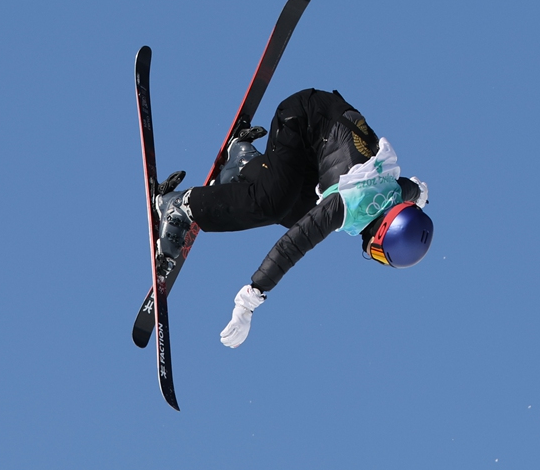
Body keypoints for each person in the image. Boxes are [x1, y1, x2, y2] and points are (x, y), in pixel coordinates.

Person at [152, 88, 434, 348]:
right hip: (302, 117)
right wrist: (249, 299)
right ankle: (182, 206)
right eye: (380, 254)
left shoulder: (393, 194)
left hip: (320, 136)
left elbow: (411, 188)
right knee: (273, 205)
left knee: (294, 210)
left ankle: (243, 163)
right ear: (384, 231)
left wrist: (420, 193)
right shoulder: (348, 204)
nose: (372, 254)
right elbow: (293, 245)